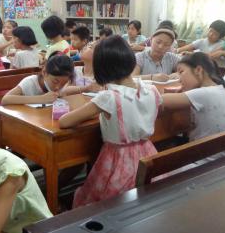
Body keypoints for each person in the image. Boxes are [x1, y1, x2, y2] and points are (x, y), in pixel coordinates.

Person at [59, 36, 161, 207]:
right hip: (148, 153)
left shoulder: (109, 97)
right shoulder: (151, 90)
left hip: (117, 159)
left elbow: (64, 122)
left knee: (105, 201)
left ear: (101, 68)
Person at [161, 52, 225, 142]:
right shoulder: (224, 89)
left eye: (181, 72)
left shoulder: (203, 94)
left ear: (198, 70)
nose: (179, 79)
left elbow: (158, 99)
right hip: (223, 147)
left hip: (204, 150)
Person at [1, 54, 74, 105]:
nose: (58, 87)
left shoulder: (59, 85)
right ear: (44, 72)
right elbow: (5, 99)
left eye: (63, 84)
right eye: (55, 82)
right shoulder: (30, 82)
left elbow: (66, 91)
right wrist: (41, 99)